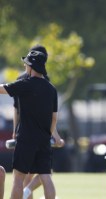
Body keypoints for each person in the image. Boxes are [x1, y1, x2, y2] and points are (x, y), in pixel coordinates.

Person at [0, 45, 61, 199]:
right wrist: (48, 133)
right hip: (43, 139)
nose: (25, 66)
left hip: (26, 138)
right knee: (46, 176)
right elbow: (54, 117)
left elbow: (3, 89)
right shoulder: (51, 89)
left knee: (18, 178)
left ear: (31, 66)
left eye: (26, 64)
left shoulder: (25, 84)